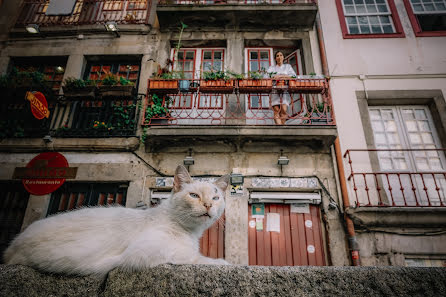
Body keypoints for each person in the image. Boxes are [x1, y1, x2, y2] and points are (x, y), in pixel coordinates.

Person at [266, 51, 297, 125]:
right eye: (277, 56)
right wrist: (274, 77)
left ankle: (282, 127)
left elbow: (293, 76)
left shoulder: (287, 66)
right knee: (276, 110)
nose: (279, 57)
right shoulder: (272, 68)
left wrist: (282, 76)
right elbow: (267, 76)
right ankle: (279, 127)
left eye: (281, 55)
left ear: (283, 57)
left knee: (284, 109)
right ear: (275, 58)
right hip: (274, 90)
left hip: (285, 90)